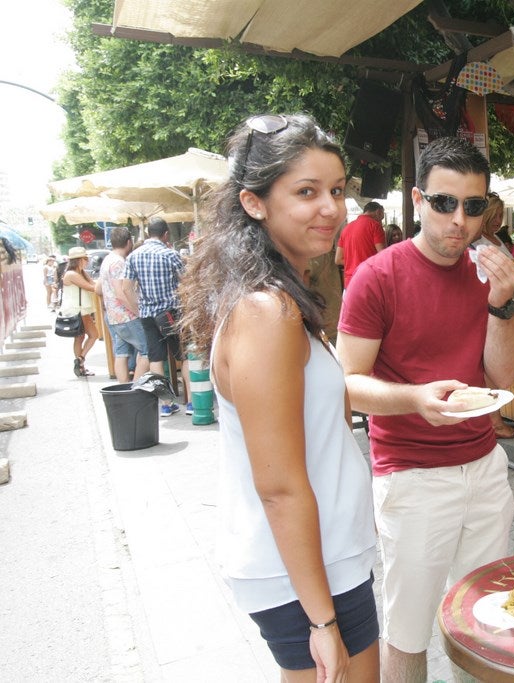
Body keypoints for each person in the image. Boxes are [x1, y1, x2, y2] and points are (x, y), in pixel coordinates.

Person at [178, 113, 379, 682]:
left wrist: (415, 400)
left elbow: (321, 419)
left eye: (337, 191)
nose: (331, 208)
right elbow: (280, 487)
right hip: (305, 575)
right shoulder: (268, 311)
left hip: (323, 559)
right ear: (254, 202)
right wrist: (321, 621)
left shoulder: (280, 297)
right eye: (307, 192)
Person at [337, 136, 514, 683]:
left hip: (485, 467)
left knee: (484, 622)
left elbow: (504, 378)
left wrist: (502, 303)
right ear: (418, 199)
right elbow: (345, 384)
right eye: (444, 203)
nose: (459, 220)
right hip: (412, 475)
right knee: (409, 630)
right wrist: (414, 399)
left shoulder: (490, 272)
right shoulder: (378, 276)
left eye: (473, 205)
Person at [125, 217, 188, 416]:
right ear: (166, 234)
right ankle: (193, 402)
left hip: (147, 315)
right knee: (184, 356)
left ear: (148, 233)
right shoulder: (170, 255)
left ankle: (166, 404)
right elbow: (186, 283)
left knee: (155, 359)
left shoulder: (133, 256)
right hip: (170, 313)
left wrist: (139, 308)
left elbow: (126, 288)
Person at [476, 191, 514, 440]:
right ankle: (495, 421)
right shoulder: (478, 241)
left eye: (501, 215)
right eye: (494, 215)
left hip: (504, 307)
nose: (498, 220)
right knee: (489, 369)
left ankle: (494, 418)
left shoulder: (493, 238)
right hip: (491, 309)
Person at [97, 227, 151, 382]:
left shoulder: (107, 259)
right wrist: (138, 311)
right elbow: (121, 292)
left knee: (121, 354)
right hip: (126, 316)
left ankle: (123, 388)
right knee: (148, 351)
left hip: (113, 316)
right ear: (129, 242)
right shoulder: (118, 263)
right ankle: (135, 388)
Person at [61, 246, 101, 378]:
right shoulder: (72, 274)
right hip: (78, 309)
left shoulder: (81, 273)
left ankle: (80, 362)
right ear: (78, 260)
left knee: (83, 337)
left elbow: (92, 284)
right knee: (89, 335)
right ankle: (80, 361)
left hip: (81, 309)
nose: (87, 261)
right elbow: (91, 287)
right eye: (85, 258)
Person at [335, 201, 385, 290]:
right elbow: (383, 256)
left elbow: (338, 260)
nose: (380, 221)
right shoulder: (375, 226)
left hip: (349, 283)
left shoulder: (346, 228)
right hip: (368, 281)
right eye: (381, 218)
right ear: (378, 212)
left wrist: (354, 261)